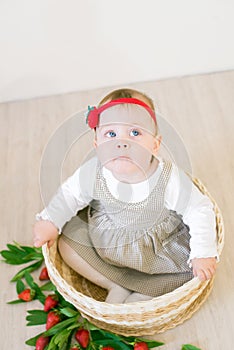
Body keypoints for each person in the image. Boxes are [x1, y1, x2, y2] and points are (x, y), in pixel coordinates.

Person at [33, 88, 218, 303]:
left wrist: (203, 253)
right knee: (68, 242)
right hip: (107, 246)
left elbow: (199, 208)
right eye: (111, 134)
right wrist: (51, 220)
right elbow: (70, 194)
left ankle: (146, 292)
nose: (122, 143)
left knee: (191, 272)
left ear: (155, 145)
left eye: (135, 133)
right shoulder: (93, 172)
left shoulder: (168, 179)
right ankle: (113, 284)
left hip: (157, 254)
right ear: (97, 145)